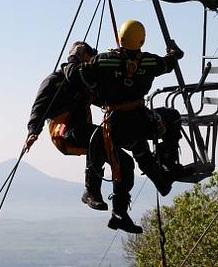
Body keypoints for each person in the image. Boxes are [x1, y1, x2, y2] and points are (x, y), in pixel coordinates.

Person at [63, 19, 188, 234]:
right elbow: (168, 63)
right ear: (141, 40)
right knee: (172, 117)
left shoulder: (105, 61)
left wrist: (73, 56)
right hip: (142, 122)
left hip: (116, 127)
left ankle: (118, 208)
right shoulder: (149, 62)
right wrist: (174, 52)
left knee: (120, 159)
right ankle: (166, 166)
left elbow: (74, 74)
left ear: (120, 38)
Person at [24, 41, 135, 212]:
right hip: (63, 131)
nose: (90, 65)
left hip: (85, 133)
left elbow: (107, 99)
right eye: (88, 60)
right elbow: (39, 107)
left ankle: (119, 214)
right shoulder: (55, 80)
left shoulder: (86, 82)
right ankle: (91, 191)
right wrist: (33, 132)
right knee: (97, 136)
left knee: (125, 162)